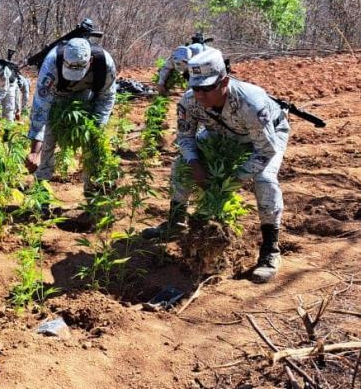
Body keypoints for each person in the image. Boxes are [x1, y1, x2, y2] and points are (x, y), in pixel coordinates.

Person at [142, 48, 290, 283]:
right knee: (181, 164)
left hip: (263, 138)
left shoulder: (251, 103)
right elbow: (185, 137)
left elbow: (265, 149)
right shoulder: (189, 100)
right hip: (220, 134)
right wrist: (194, 163)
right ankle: (175, 222)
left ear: (224, 81)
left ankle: (270, 250)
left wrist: (232, 181)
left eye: (207, 88)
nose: (200, 94)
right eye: (195, 87)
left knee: (264, 179)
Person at [24, 37, 117, 195]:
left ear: (90, 61)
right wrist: (34, 150)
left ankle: (92, 191)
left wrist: (97, 127)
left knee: (92, 146)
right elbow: (41, 105)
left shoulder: (105, 64)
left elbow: (107, 97)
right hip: (57, 100)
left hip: (87, 100)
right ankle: (41, 191)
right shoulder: (51, 63)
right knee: (47, 143)